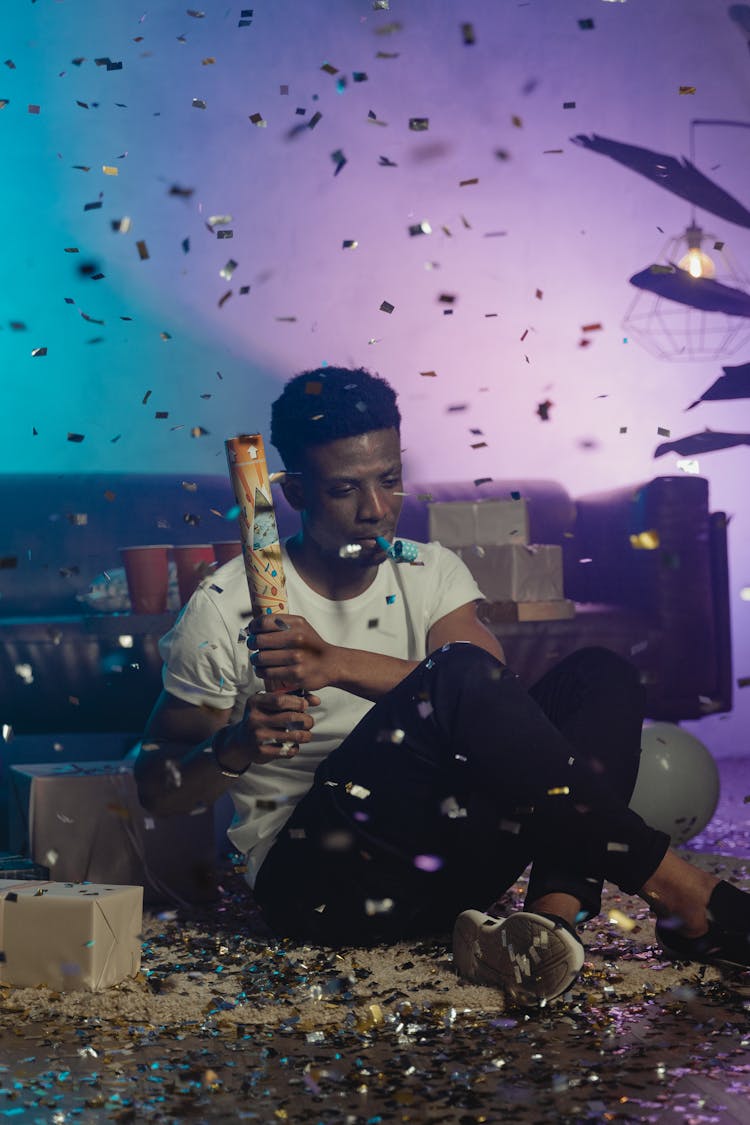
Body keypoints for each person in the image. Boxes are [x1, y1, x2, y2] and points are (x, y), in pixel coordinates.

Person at [135, 366, 750, 1006]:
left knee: (600, 675)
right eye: (346, 488)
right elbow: (156, 787)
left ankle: (547, 925)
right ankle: (689, 897)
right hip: (321, 884)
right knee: (456, 672)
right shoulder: (222, 603)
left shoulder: (430, 570)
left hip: (450, 869)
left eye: (390, 481)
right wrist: (236, 747)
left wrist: (338, 663)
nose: (374, 510)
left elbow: (487, 696)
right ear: (293, 492)